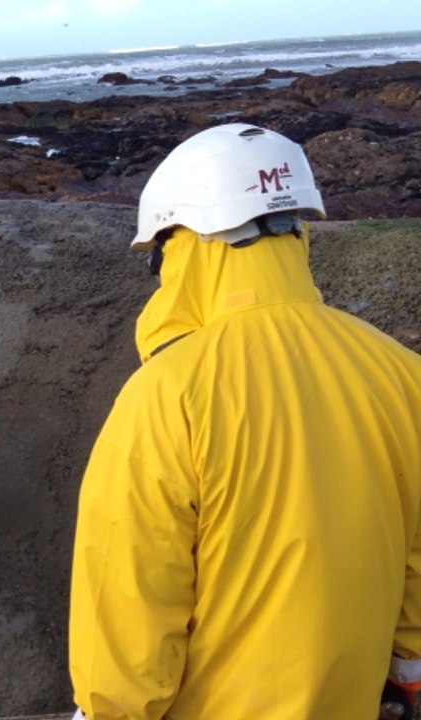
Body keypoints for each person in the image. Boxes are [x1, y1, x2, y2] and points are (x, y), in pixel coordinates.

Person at [68, 123, 421, 719]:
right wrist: (407, 671)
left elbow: (129, 590)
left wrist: (110, 709)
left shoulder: (168, 393)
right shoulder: (402, 371)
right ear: (297, 231)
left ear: (182, 245)